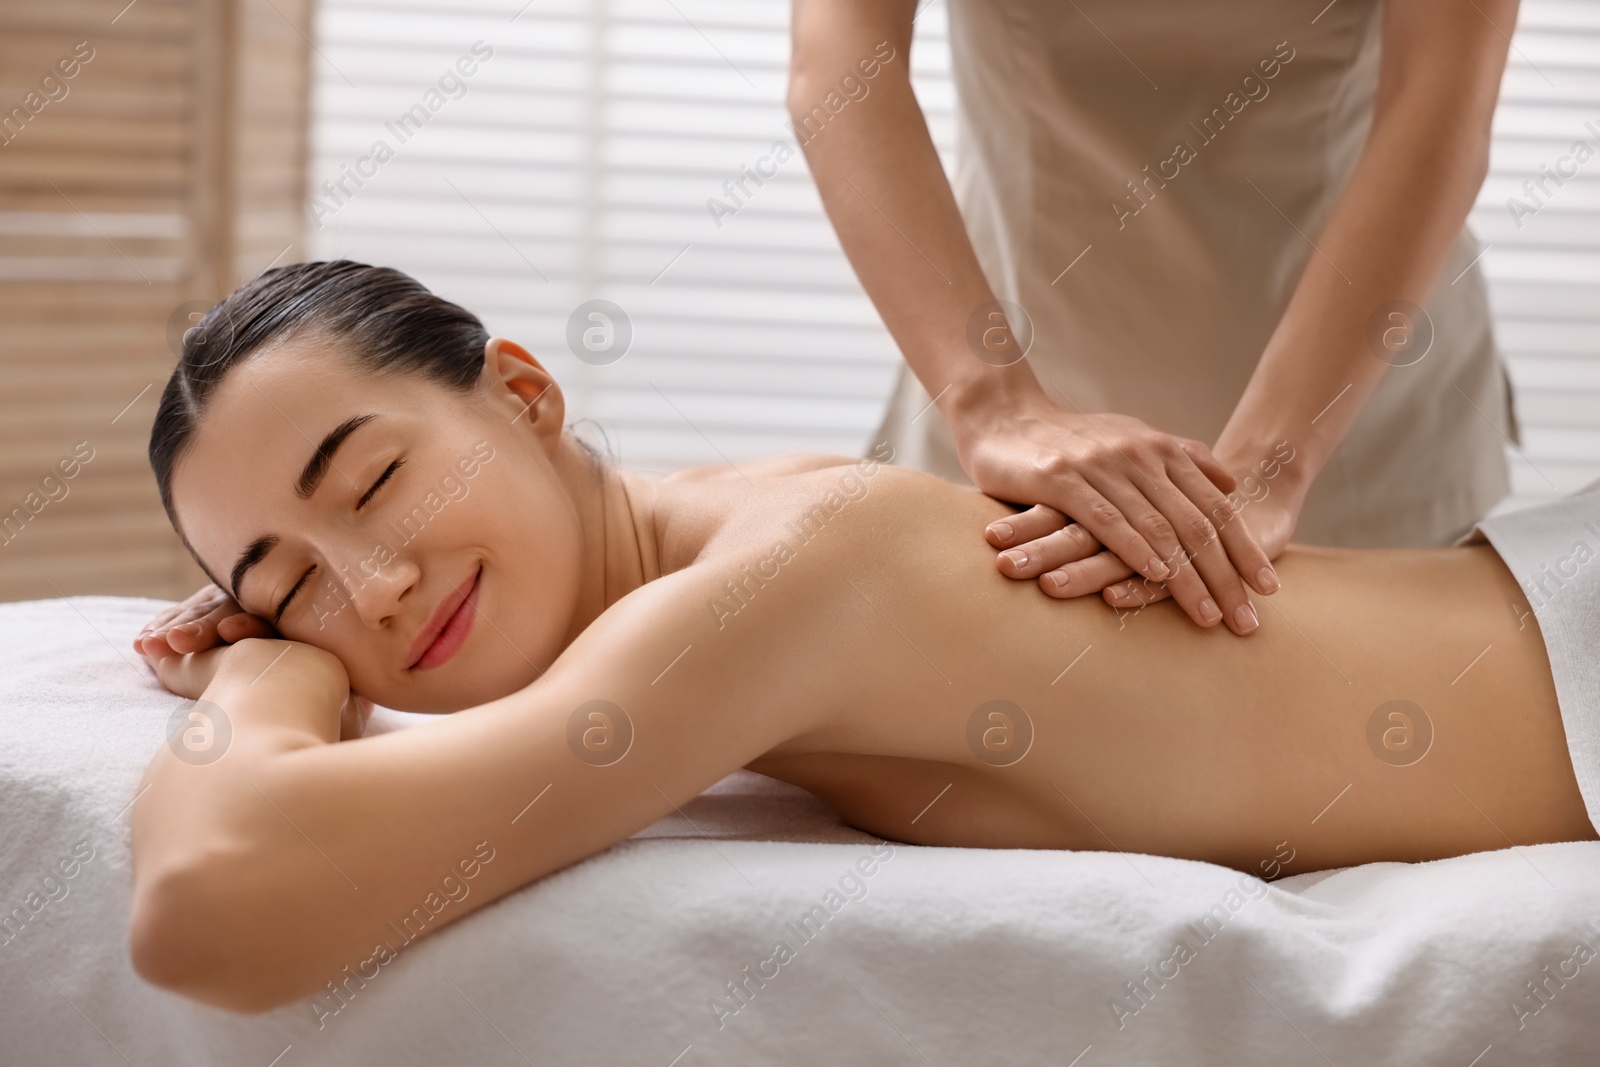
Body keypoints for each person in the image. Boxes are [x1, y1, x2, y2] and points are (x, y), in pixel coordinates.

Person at [129, 263, 1592, 1015]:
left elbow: (211, 903)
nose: (372, 586)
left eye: (376, 482)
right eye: (286, 578)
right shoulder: (721, 547)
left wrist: (270, 663)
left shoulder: (795, 568)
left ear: (521, 392)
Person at [788, 0, 1521, 636]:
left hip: (1358, 422)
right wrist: (993, 404)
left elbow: (1441, 97)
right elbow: (841, 66)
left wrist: (1272, 462)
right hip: (1014, 409)